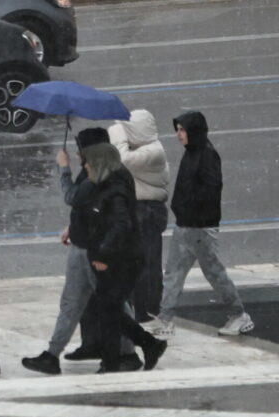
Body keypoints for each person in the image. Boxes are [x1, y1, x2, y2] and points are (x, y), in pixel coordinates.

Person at [21, 129, 140, 375]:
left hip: (94, 251)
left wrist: (63, 168)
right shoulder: (96, 170)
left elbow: (75, 198)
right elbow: (88, 209)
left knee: (111, 304)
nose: (77, 154)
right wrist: (73, 227)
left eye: (80, 149)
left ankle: (130, 351)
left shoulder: (103, 174)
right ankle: (52, 354)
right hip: (84, 247)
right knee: (73, 302)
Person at [154, 111, 253, 337]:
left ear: (193, 131)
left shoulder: (207, 155)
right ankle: (165, 318)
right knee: (175, 273)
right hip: (186, 225)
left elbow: (211, 190)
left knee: (211, 273)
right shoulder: (192, 153)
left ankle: (238, 314)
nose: (178, 135)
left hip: (199, 228)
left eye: (182, 130)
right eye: (177, 129)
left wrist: (190, 211)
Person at [82, 143, 168, 373]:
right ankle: (121, 356)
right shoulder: (109, 185)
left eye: (88, 163)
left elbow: (120, 226)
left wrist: (103, 254)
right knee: (108, 308)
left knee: (108, 308)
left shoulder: (115, 191)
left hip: (121, 260)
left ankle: (139, 348)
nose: (85, 167)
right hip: (120, 257)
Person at [109, 109, 170, 324]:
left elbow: (123, 160)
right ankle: (138, 307)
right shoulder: (143, 150)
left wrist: (117, 134)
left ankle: (148, 310)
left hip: (147, 212)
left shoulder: (154, 151)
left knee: (148, 265)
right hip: (137, 211)